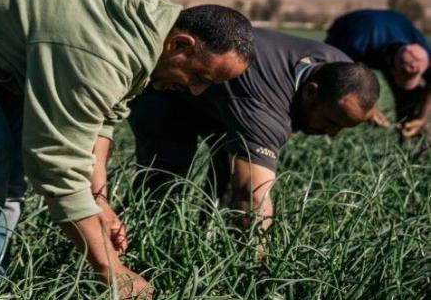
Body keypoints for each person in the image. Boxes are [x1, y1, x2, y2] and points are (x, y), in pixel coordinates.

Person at [0, 0, 254, 300]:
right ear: (181, 45)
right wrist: (112, 272)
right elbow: (56, 166)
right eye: (198, 77)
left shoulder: (147, 34)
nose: (196, 91)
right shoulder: (102, 52)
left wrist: (98, 200)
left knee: (10, 169)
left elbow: (102, 122)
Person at [129, 28, 379, 233]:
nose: (331, 134)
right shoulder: (264, 108)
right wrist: (257, 271)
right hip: (167, 90)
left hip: (226, 101)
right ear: (310, 91)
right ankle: (143, 236)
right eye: (331, 122)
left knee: (227, 177)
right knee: (165, 177)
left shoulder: (343, 73)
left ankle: (205, 235)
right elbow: (253, 195)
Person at [325, 9, 430, 141]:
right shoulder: (357, 44)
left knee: (410, 100)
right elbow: (330, 71)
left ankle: (410, 141)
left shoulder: (420, 51)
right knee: (331, 91)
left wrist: (421, 117)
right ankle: (325, 134)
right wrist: (368, 110)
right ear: (392, 70)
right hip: (350, 30)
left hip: (396, 23)